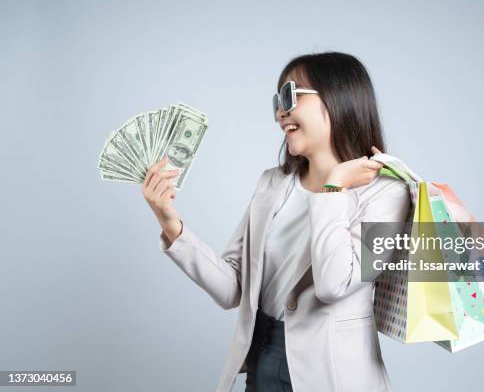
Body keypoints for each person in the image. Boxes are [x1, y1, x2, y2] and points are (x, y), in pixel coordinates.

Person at [142, 52, 411, 392]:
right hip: (261, 358)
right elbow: (232, 289)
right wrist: (170, 222)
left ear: (338, 99)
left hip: (333, 377)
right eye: (276, 100)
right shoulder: (272, 184)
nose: (280, 112)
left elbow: (335, 285)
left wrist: (333, 188)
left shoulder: (389, 194)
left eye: (291, 95)